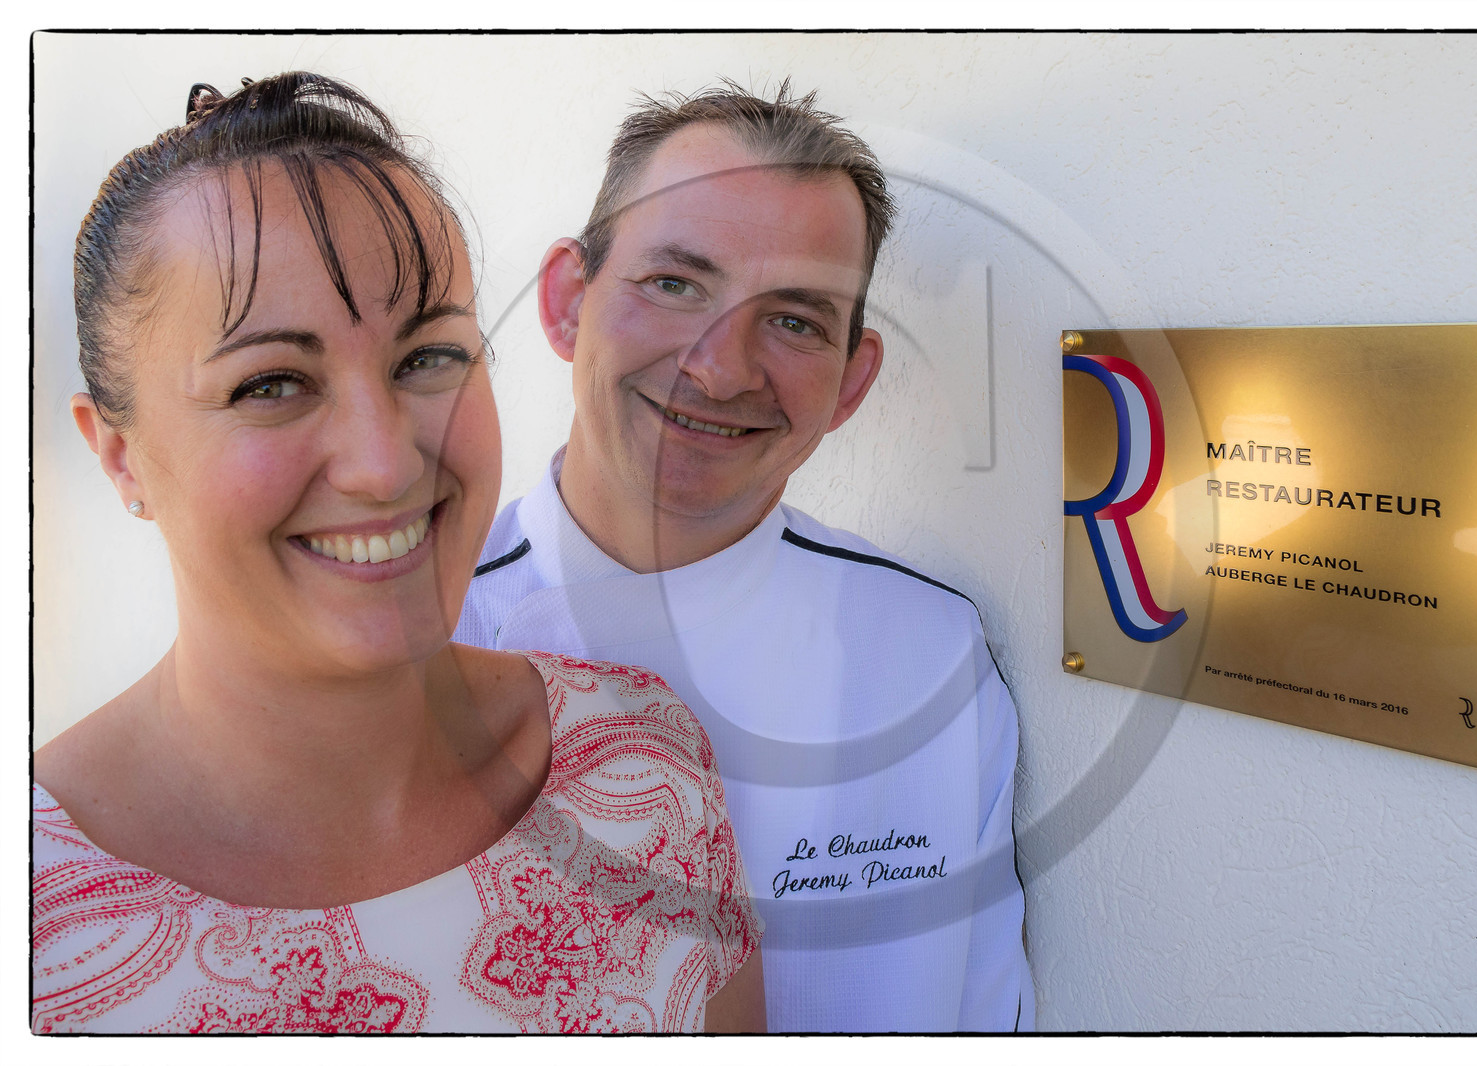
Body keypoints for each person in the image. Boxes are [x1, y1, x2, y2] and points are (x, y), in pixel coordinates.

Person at [32, 72, 763, 1035]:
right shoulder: (37, 930)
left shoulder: (643, 766)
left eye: (428, 358)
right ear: (120, 455)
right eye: (271, 384)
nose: (383, 465)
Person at [455, 81, 1032, 1032]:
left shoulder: (930, 657)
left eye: (795, 320)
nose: (721, 369)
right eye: (674, 284)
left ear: (850, 382)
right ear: (567, 302)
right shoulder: (405, 626)